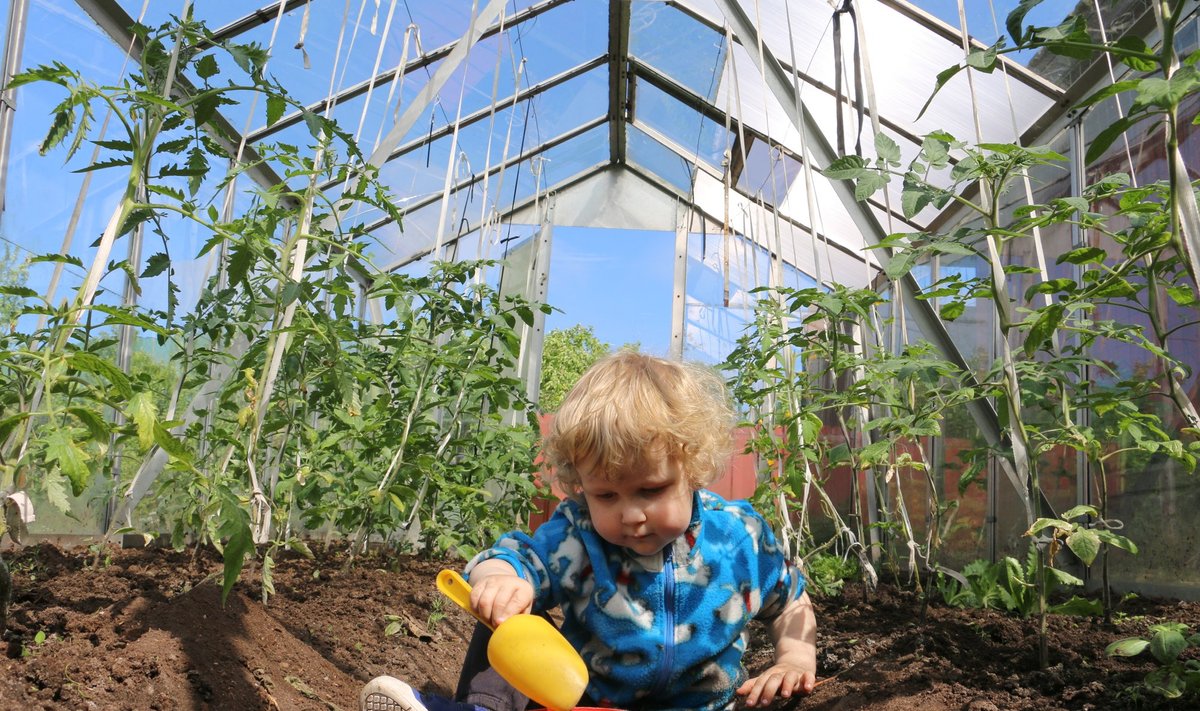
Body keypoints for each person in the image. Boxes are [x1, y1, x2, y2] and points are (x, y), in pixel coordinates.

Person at [361, 352, 817, 711]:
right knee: (510, 618)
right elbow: (522, 557)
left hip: (701, 706)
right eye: (606, 496)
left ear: (693, 467)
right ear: (582, 485)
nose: (631, 514)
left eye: (650, 489)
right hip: (587, 703)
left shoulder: (739, 539)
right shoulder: (578, 536)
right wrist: (500, 579)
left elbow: (789, 599)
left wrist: (795, 659)